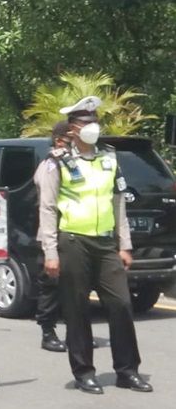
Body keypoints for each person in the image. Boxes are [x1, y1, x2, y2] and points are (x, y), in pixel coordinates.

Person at [36, 96, 152, 394]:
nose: (92, 127)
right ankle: (84, 372)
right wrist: (50, 252)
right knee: (77, 309)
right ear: (72, 129)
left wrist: (124, 244)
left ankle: (127, 370)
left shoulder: (109, 158)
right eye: (85, 123)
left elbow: (118, 205)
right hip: (73, 241)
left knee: (122, 304)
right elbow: (47, 209)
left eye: (95, 122)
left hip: (105, 243)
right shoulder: (55, 162)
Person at [33, 121, 71, 353]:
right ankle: (48, 332)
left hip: (75, 231)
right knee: (52, 285)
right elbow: (47, 206)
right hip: (53, 234)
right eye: (70, 137)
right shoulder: (51, 165)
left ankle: (76, 331)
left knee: (76, 286)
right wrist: (50, 247)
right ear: (59, 140)